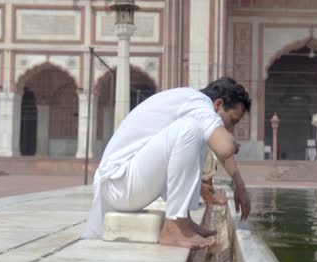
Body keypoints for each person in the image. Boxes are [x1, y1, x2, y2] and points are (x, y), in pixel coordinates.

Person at [80, 77, 251, 249]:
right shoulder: (200, 103)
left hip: (124, 185)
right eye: (233, 121)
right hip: (119, 184)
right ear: (218, 105)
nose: (231, 129)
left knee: (200, 136)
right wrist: (234, 143)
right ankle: (174, 227)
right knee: (190, 130)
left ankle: (185, 220)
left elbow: (220, 149)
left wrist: (240, 185)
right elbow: (224, 147)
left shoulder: (193, 104)